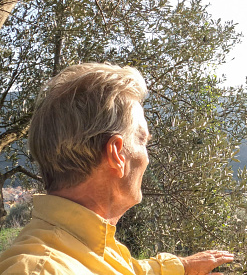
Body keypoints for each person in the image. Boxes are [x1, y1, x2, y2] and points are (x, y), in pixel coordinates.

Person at [0, 63, 234, 275]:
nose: (147, 159)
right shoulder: (39, 270)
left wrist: (183, 267)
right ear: (116, 154)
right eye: (142, 140)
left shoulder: (90, 245)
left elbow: (130, 270)